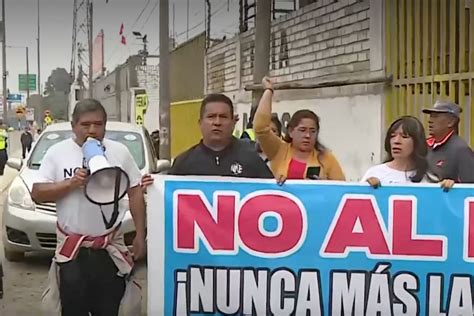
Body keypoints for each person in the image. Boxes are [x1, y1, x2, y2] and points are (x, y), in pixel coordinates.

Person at [31, 99, 146, 316]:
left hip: (109, 248)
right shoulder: (57, 153)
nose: (92, 130)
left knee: (110, 308)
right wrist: (71, 183)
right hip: (73, 251)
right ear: (73, 126)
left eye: (98, 124)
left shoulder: (119, 152)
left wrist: (140, 234)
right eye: (85, 125)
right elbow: (37, 193)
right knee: (73, 308)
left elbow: (135, 191)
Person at [253, 77, 345, 184]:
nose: (307, 135)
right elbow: (260, 127)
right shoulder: (279, 150)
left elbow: (342, 188)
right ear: (291, 131)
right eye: (302, 130)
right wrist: (268, 91)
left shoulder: (326, 158)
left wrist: (322, 185)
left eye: (312, 131)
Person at [169, 94, 273, 178]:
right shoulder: (183, 163)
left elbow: (272, 193)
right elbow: (165, 197)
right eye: (211, 117)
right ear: (200, 123)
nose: (217, 122)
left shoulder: (253, 157)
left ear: (233, 123)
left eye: (223, 117)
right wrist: (153, 187)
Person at [361, 116, 453, 190]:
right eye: (392, 136)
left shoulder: (429, 179)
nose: (396, 141)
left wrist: (450, 190)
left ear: (417, 142)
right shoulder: (375, 173)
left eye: (404, 137)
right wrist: (368, 189)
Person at [421, 100, 474, 183]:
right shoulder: (424, 146)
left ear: (451, 122)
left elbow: (469, 188)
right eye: (430, 116)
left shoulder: (461, 150)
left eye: (435, 116)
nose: (430, 120)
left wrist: (453, 185)